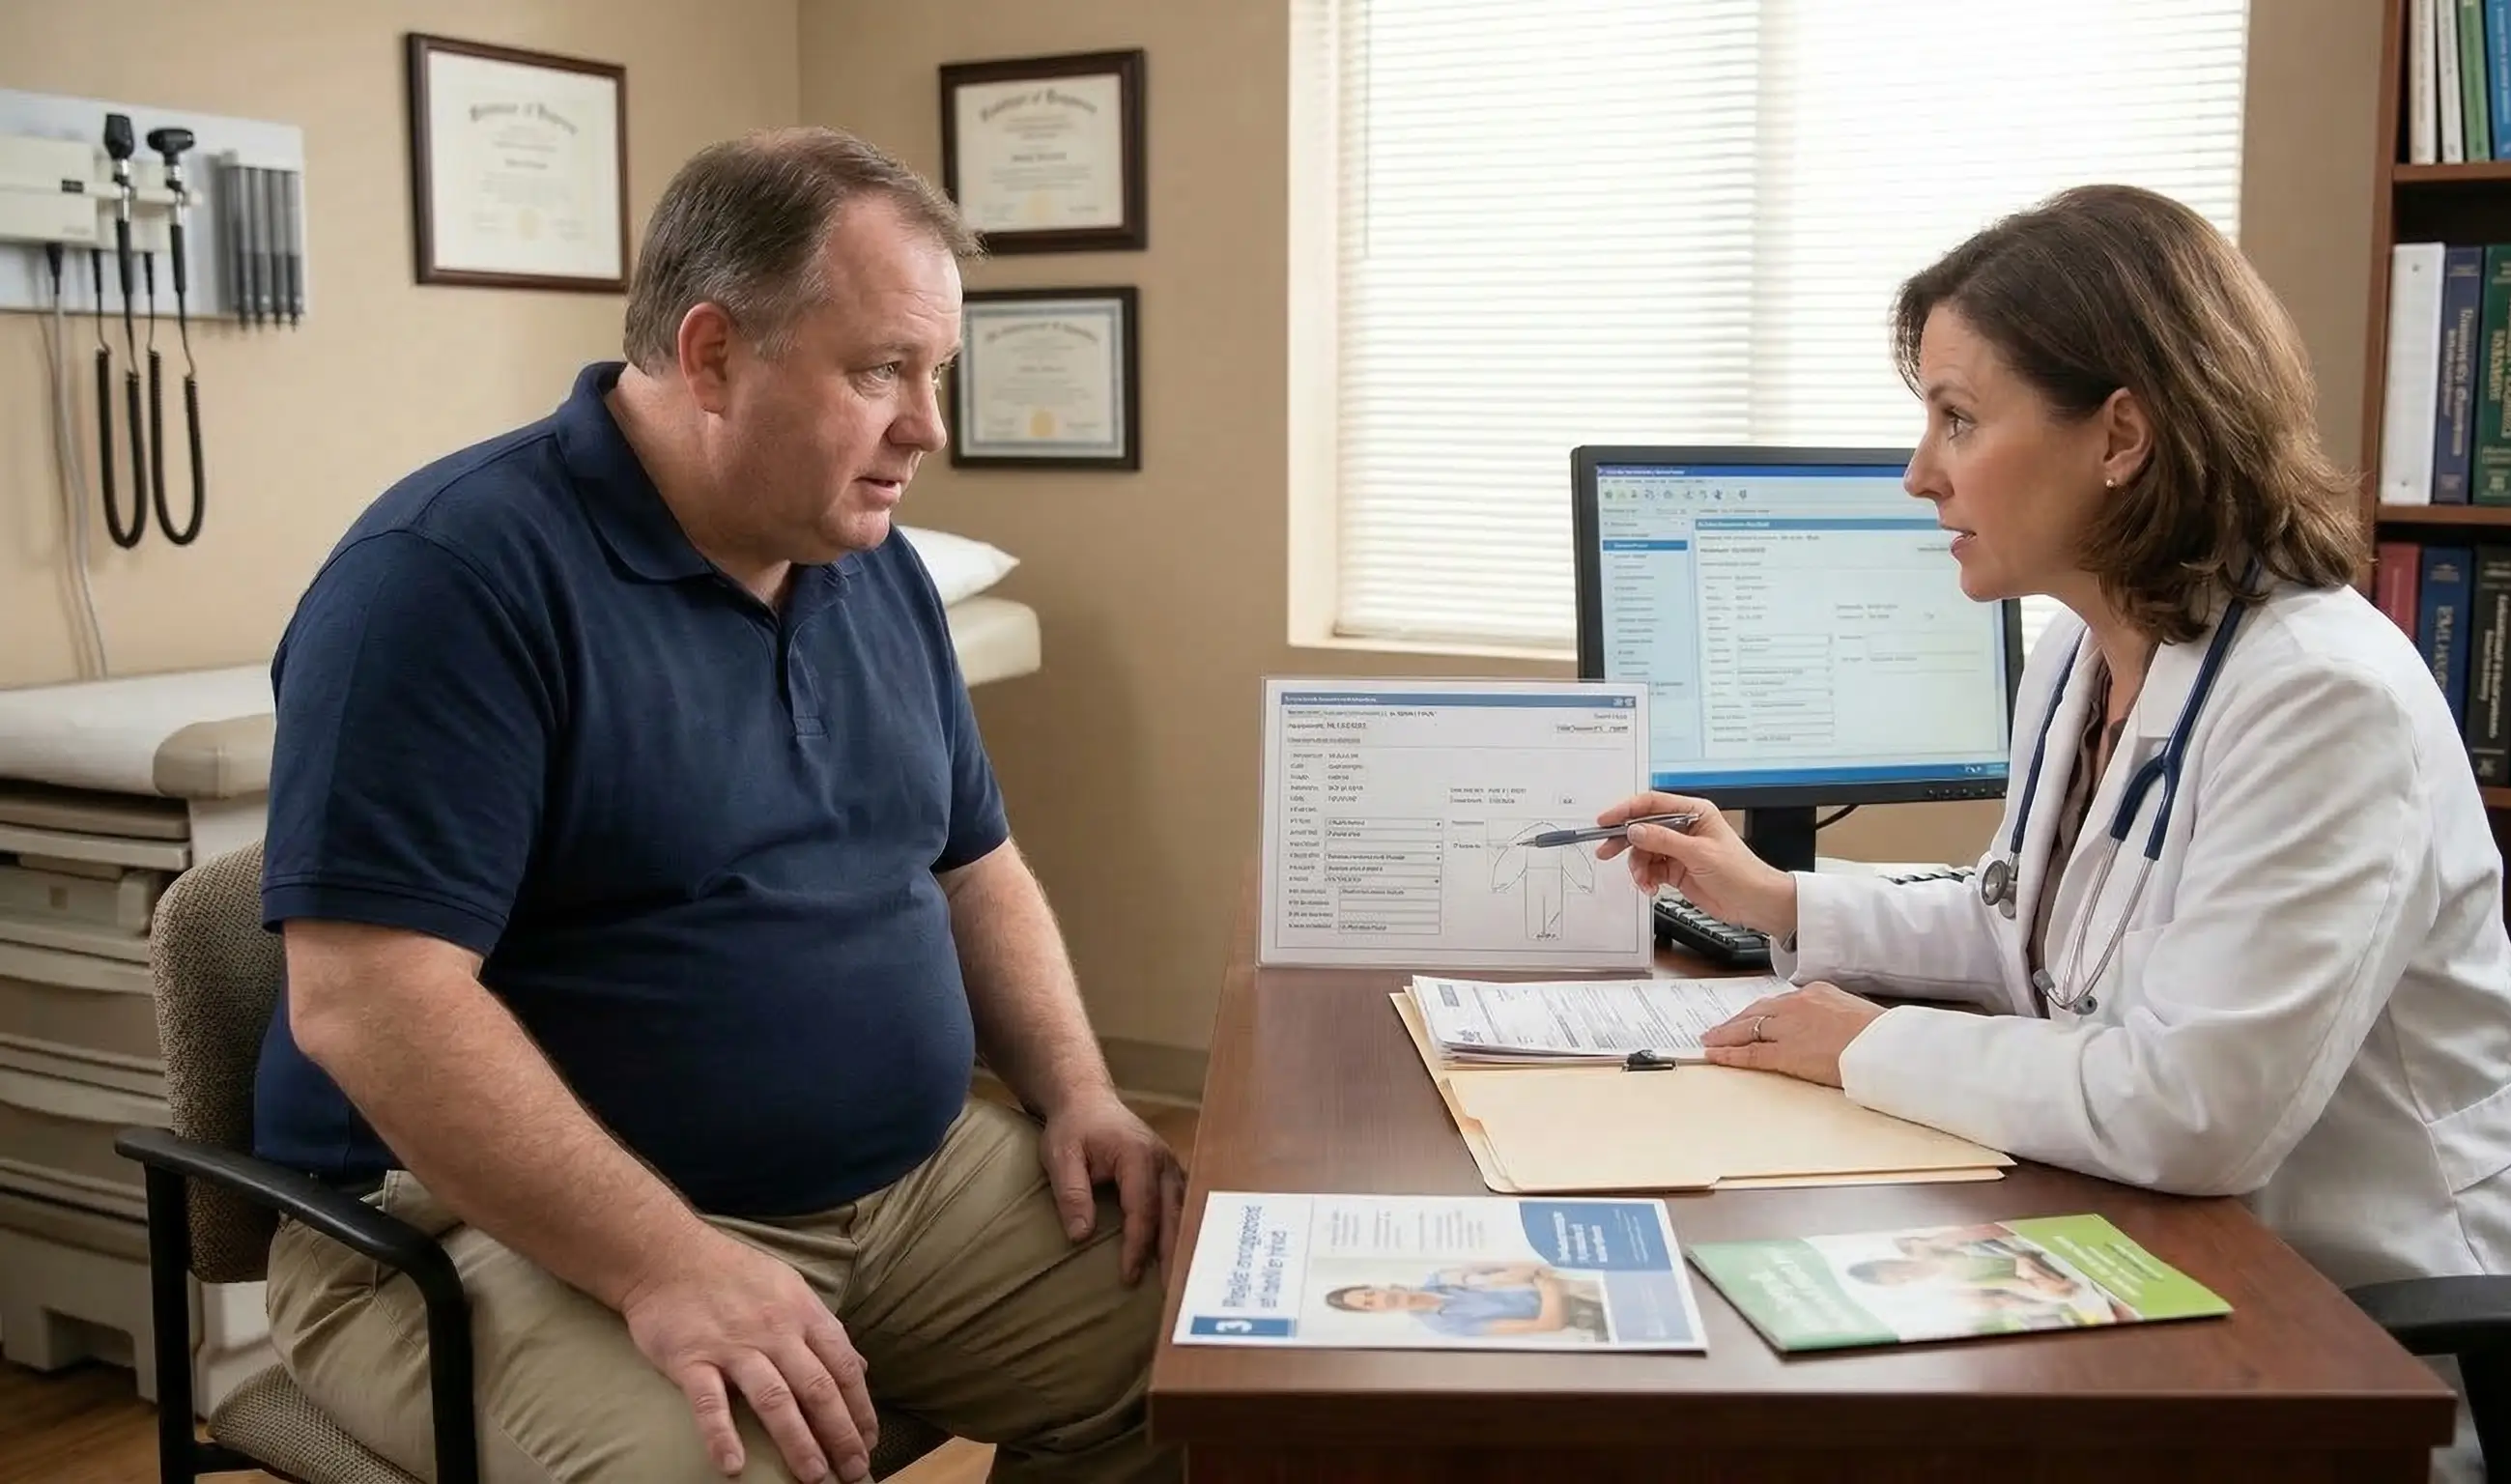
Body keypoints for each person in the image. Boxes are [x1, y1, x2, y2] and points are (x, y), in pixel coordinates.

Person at [250, 127, 1183, 1484]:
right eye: (880, 371)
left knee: (1221, 1368)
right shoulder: (444, 582)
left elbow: (970, 864)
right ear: (709, 357)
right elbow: (371, 1001)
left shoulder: (868, 565)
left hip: (906, 1189)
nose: (925, 426)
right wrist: (668, 1261)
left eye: (935, 374)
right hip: (491, 1234)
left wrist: (1079, 1089)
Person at [1592, 184, 2511, 1303]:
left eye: (1958, 419)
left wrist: (1862, 1044)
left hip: (2331, 1318)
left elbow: (2193, 1113)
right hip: (2125, 1234)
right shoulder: (2083, 655)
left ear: (2119, 435)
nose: (1918, 473)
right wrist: (1777, 897)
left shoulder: (2322, 700)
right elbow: (2026, 931)